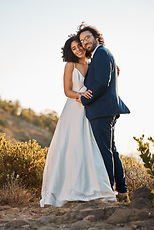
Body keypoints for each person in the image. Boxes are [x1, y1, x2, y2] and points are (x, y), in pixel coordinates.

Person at [40, 35, 116, 207]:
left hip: (89, 109)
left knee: (89, 147)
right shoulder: (70, 65)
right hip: (73, 109)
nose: (78, 50)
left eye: (79, 46)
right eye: (74, 48)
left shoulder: (91, 64)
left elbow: (101, 79)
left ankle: (91, 187)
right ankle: (66, 189)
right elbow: (67, 91)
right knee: (71, 146)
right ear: (71, 52)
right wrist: (80, 95)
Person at [77, 24, 130, 202]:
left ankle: (107, 191)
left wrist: (84, 100)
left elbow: (100, 83)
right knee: (111, 150)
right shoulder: (103, 55)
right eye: (82, 40)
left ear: (96, 37)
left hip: (101, 111)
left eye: (87, 37)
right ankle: (122, 190)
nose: (85, 42)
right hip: (107, 110)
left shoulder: (101, 53)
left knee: (103, 152)